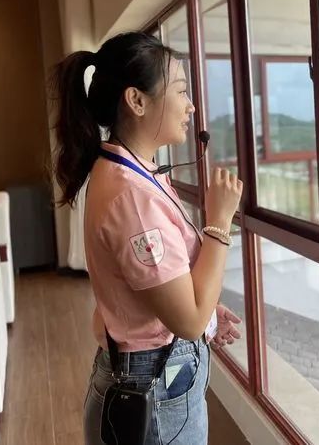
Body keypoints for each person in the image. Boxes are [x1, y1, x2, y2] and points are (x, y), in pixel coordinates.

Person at [51, 31, 243, 444]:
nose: (191, 105)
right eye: (181, 91)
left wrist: (208, 309)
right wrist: (219, 222)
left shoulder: (132, 171)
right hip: (155, 385)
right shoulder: (133, 198)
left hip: (151, 374)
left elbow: (161, 284)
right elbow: (188, 322)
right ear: (136, 101)